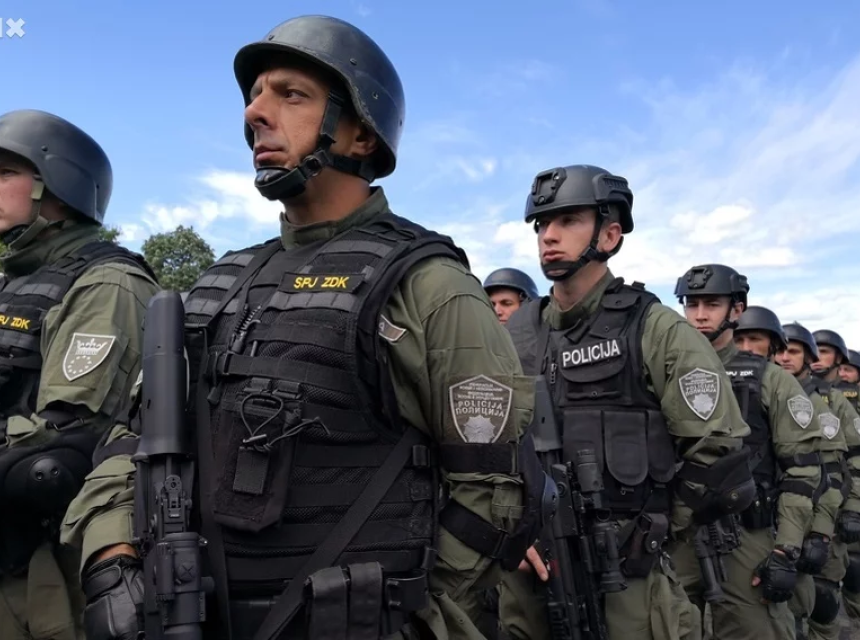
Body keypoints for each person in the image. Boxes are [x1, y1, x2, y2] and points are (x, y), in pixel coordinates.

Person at [60, 15, 547, 640]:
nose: (255, 113)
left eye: (291, 95)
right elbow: (130, 441)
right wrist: (112, 557)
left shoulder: (428, 286)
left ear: (361, 134)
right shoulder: (216, 285)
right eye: (255, 95)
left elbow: (496, 489)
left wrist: (415, 616)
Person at [500, 163, 755, 640]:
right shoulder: (516, 332)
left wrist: (652, 532)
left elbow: (718, 454)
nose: (549, 235)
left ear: (610, 235)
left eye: (568, 220)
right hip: (528, 564)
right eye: (542, 223)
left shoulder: (655, 327)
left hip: (627, 575)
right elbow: (483, 441)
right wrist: (508, 528)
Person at [0, 109, 159, 640]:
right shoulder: (14, 283)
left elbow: (63, 446)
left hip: (43, 572)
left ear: (56, 185)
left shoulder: (106, 285)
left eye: (5, 173)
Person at [675, 266, 828, 640]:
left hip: (743, 533)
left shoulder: (771, 380)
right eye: (692, 304)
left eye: (712, 304)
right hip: (675, 531)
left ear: (737, 309)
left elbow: (802, 471)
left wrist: (786, 549)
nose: (700, 315)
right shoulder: (662, 370)